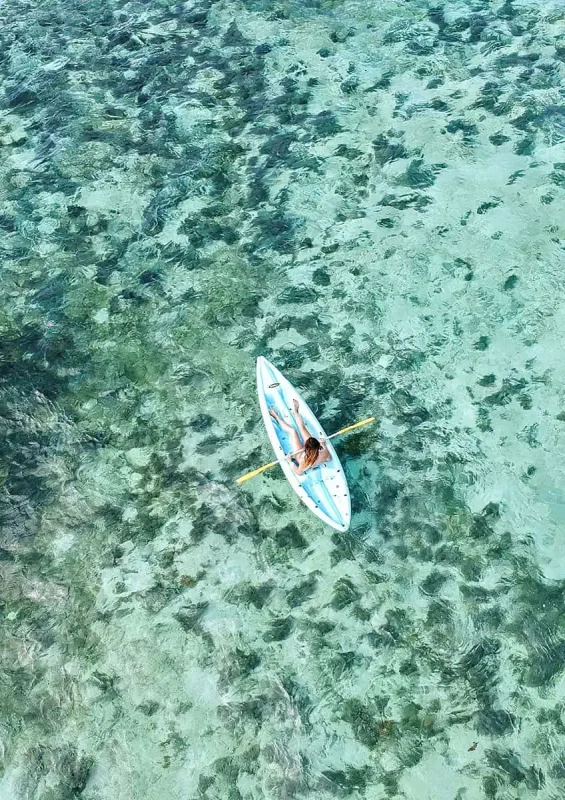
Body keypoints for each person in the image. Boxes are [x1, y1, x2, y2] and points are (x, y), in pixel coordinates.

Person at [269, 399, 331, 475]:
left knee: (292, 431)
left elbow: (299, 472)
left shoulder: (303, 461)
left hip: (301, 455)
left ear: (306, 445)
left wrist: (290, 461)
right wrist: (324, 445)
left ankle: (275, 416)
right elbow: (329, 459)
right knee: (302, 428)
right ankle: (295, 411)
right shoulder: (324, 452)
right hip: (311, 452)